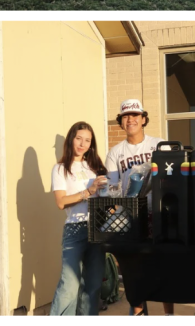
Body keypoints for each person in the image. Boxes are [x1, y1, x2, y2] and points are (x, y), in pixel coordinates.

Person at [104, 99, 171, 316]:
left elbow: (172, 178)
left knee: (162, 268)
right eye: (125, 116)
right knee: (135, 273)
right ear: (121, 122)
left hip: (159, 214)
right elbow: (114, 190)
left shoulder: (160, 144)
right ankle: (139, 314)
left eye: (135, 115)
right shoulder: (115, 153)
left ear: (143, 119)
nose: (130, 119)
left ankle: (169, 315)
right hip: (132, 217)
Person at [48, 121, 108, 316]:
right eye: (79, 138)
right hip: (75, 229)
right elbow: (61, 202)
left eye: (87, 140)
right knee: (69, 287)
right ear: (71, 139)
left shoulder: (96, 166)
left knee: (92, 286)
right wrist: (88, 191)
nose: (82, 144)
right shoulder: (60, 169)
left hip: (97, 228)